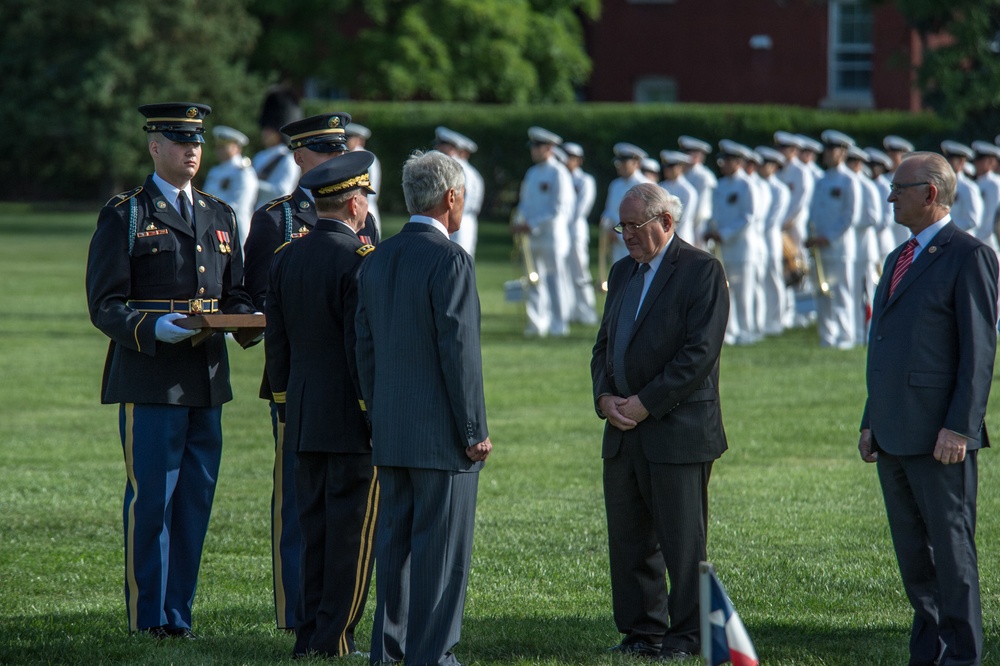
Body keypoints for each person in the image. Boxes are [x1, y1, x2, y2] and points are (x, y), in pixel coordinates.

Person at [85, 102, 257, 638]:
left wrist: (251, 317)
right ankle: (148, 617)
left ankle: (178, 616)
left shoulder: (219, 213)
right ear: (154, 146)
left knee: (194, 505)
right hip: (152, 377)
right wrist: (155, 330)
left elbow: (237, 293)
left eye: (198, 141)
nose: (192, 150)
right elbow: (105, 303)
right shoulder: (127, 213)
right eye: (180, 140)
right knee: (153, 501)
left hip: (206, 380)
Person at [859, 151, 998, 666]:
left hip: (942, 438)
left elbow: (978, 353)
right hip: (894, 432)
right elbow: (885, 345)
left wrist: (959, 428)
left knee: (952, 553)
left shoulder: (970, 255)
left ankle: (962, 656)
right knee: (915, 557)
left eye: (901, 187)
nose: (891, 195)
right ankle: (930, 653)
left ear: (931, 193)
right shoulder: (899, 257)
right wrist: (870, 420)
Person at [243, 111, 380, 632]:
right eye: (328, 151)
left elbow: (281, 335)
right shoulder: (283, 224)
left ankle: (312, 626)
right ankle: (316, 624)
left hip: (302, 396)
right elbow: (356, 340)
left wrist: (284, 396)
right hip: (333, 400)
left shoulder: (316, 243)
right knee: (327, 519)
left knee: (321, 516)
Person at [355, 149, 492, 666]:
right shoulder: (451, 259)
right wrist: (474, 428)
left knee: (395, 551)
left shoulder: (378, 258)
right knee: (442, 555)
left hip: (391, 429)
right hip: (442, 436)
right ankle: (433, 657)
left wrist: (376, 415)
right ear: (452, 198)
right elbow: (459, 352)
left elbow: (363, 347)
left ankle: (388, 655)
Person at [591, 182, 729, 661]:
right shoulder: (623, 271)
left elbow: (698, 355)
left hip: (678, 431)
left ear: (666, 223)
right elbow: (603, 345)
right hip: (623, 429)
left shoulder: (701, 270)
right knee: (629, 539)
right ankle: (642, 631)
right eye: (621, 226)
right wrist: (605, 396)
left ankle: (687, 636)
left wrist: (646, 402)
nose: (625, 235)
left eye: (635, 226)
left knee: (681, 541)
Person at [513, 126, 575, 337]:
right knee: (532, 279)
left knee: (554, 279)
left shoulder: (559, 172)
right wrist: (518, 221)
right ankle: (536, 323)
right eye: (533, 146)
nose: (534, 150)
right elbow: (524, 204)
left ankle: (559, 324)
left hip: (551, 236)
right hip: (531, 236)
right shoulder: (531, 173)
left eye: (538, 146)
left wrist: (531, 224)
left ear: (549, 148)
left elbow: (558, 209)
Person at [805, 130, 861, 349]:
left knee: (841, 291)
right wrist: (811, 236)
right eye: (826, 150)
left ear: (843, 152)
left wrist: (827, 237)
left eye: (832, 150)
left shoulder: (849, 180)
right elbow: (813, 213)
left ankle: (845, 336)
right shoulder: (821, 181)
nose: (827, 154)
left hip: (838, 247)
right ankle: (827, 336)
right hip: (819, 246)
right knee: (822, 291)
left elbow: (849, 216)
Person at [703, 140, 759, 345]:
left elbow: (748, 216)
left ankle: (747, 330)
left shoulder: (747, 184)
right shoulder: (721, 185)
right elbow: (715, 213)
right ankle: (730, 330)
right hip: (723, 248)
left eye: (727, 161)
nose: (722, 165)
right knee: (725, 290)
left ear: (737, 162)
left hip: (742, 247)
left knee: (743, 291)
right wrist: (711, 229)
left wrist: (724, 233)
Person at [202, 125, 259, 251]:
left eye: (223, 146)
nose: (219, 150)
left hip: (235, 227)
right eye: (218, 146)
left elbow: (239, 205)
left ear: (235, 148)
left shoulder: (243, 172)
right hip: (212, 226)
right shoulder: (214, 171)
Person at [755, 146, 791, 335]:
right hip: (759, 238)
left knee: (774, 278)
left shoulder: (780, 190)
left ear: (774, 166)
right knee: (761, 280)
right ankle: (763, 319)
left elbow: (774, 219)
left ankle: (777, 320)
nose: (761, 167)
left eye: (766, 164)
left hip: (771, 237)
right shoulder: (758, 185)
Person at [563, 141, 599, 325]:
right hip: (561, 231)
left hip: (575, 230)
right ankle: (568, 310)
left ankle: (586, 311)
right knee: (563, 272)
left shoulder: (584, 180)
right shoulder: (561, 177)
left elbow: (581, 208)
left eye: (570, 157)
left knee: (579, 271)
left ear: (578, 160)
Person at [435, 126, 484, 259]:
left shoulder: (459, 168)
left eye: (442, 145)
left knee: (459, 260)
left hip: (460, 219)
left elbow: (466, 200)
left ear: (451, 147)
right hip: (456, 218)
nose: (437, 148)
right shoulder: (458, 167)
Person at [253, 86, 302, 207]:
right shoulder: (259, 156)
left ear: (278, 131)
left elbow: (282, 192)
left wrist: (250, 183)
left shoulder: (289, 159)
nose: (264, 132)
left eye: (269, 129)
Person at [677, 135, 717, 250]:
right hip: (686, 226)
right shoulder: (684, 174)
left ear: (698, 155)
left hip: (701, 226)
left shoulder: (704, 177)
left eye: (688, 152)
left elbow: (701, 209)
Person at [346, 122, 383, 235]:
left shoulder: (367, 158)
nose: (346, 141)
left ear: (359, 140)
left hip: (365, 207)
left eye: (349, 138)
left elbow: (373, 189)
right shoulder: (343, 155)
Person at [656, 150, 698, 245]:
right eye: (665, 167)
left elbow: (684, 218)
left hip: (681, 237)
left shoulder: (688, 191)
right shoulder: (660, 187)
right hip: (662, 237)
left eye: (671, 166)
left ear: (681, 167)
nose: (667, 170)